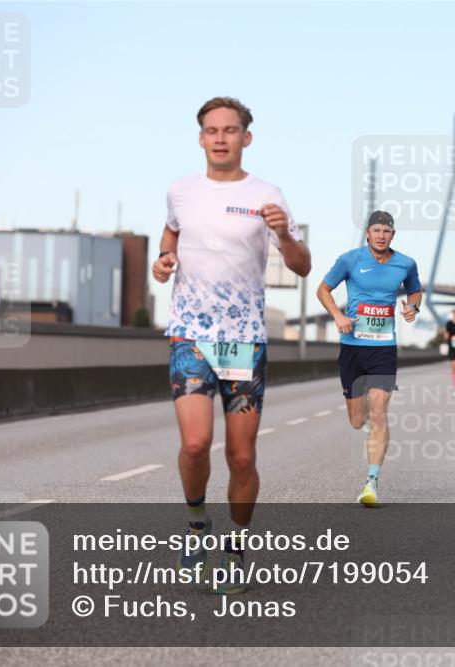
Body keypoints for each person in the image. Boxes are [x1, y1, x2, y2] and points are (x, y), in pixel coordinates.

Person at [152, 96, 310, 593]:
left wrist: (285, 236)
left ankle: (237, 549)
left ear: (247, 137)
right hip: (191, 335)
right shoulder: (181, 191)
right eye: (212, 130)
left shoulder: (269, 194)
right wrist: (162, 259)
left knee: (241, 457)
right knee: (196, 444)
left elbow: (303, 265)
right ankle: (197, 525)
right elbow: (171, 234)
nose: (220, 137)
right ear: (201, 138)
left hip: (243, 340)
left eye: (230, 129)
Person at [316, 210, 422, 507]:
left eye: (386, 231)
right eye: (376, 230)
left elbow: (415, 290)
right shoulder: (349, 260)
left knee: (379, 411)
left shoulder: (405, 263)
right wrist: (337, 315)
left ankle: (371, 482)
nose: (381, 235)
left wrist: (414, 308)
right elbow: (323, 289)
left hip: (383, 348)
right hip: (352, 347)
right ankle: (363, 419)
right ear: (367, 233)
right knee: (356, 419)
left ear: (392, 235)